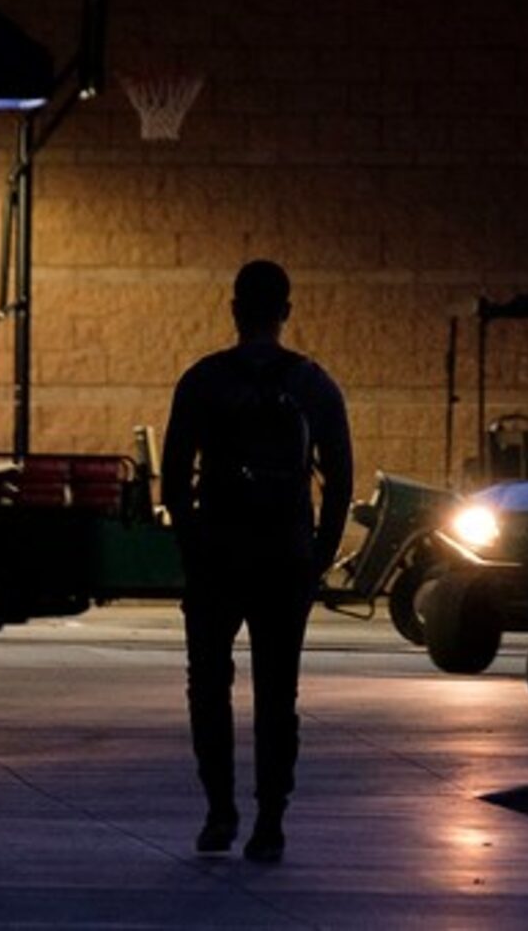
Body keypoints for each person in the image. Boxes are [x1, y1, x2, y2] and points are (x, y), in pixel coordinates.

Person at [162, 259, 353, 862]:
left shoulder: (203, 380)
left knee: (209, 687)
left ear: (235, 308)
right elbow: (342, 478)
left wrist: (195, 544)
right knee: (278, 694)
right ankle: (270, 822)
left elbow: (172, 479)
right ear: (286, 311)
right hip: (284, 557)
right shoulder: (314, 384)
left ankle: (219, 813)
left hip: (219, 555)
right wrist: (318, 553)